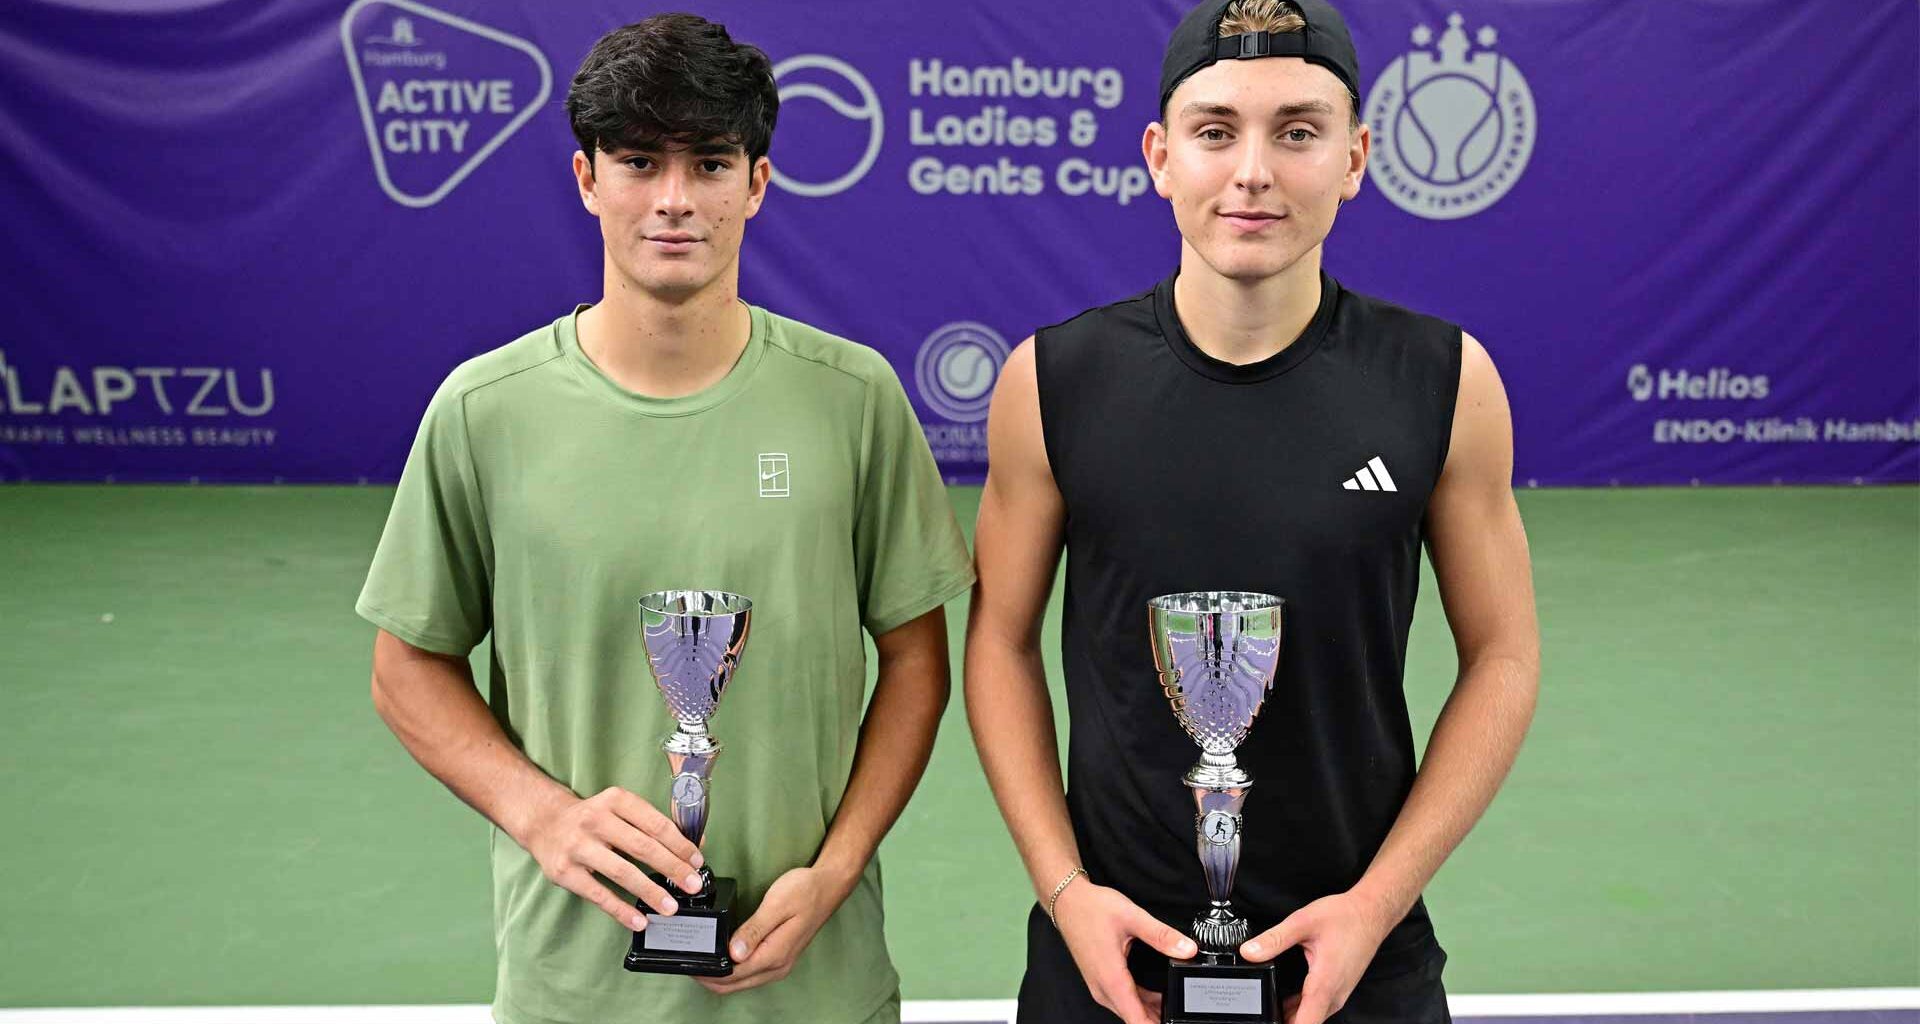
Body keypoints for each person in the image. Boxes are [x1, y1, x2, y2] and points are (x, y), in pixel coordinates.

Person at [356, 14, 973, 1024]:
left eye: (711, 163)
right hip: (573, 994)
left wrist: (837, 868)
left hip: (820, 989)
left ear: (758, 184)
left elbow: (916, 661)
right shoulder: (482, 410)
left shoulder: (855, 398)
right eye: (640, 161)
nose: (675, 199)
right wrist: (544, 817)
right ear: (588, 178)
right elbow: (405, 667)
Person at [963, 1, 1541, 1022]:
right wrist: (1066, 893)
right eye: (1217, 130)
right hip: (1108, 962)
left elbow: (1502, 655)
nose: (1254, 171)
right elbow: (999, 644)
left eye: (1299, 131)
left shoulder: (1444, 380)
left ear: (1357, 156)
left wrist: (1373, 904)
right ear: (1160, 153)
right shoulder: (1052, 380)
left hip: (1361, 962)